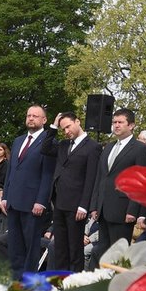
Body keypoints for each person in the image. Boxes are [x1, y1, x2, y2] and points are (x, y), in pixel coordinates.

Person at [1, 105, 57, 273]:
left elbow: (48, 174)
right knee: (14, 245)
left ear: (44, 120)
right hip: (13, 201)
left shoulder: (48, 141)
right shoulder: (18, 141)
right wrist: (5, 196)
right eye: (29, 115)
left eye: (35, 116)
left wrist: (41, 201)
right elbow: (11, 170)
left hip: (33, 203)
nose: (31, 118)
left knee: (31, 246)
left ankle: (28, 282)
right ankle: (15, 281)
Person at [92, 107, 146, 260]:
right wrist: (94, 205)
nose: (116, 125)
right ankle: (102, 282)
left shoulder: (140, 149)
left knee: (119, 257)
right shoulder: (109, 147)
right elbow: (100, 178)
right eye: (114, 122)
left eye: (120, 122)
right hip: (103, 210)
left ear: (131, 125)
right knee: (103, 254)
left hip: (123, 210)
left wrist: (133, 210)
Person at [46, 111, 100, 272]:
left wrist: (84, 205)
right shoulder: (63, 145)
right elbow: (46, 147)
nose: (66, 131)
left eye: (68, 126)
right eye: (63, 129)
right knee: (60, 248)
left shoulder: (93, 147)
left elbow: (91, 178)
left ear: (78, 122)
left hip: (77, 206)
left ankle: (74, 284)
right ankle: (61, 282)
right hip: (59, 203)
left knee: (75, 249)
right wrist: (54, 125)